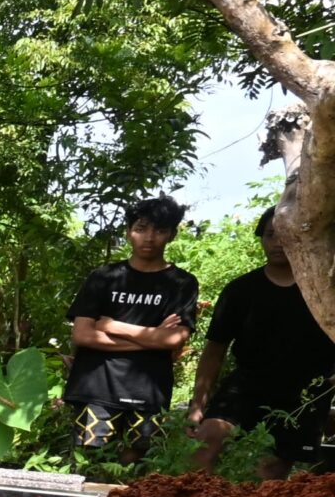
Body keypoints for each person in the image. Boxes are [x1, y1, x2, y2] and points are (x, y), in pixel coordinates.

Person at [191, 208, 334, 478]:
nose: (277, 242)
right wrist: (197, 405)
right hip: (247, 385)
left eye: (286, 235)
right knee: (205, 443)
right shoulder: (240, 290)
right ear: (261, 239)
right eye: (270, 235)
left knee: (270, 475)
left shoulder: (324, 291)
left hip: (303, 395)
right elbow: (214, 352)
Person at [66, 195, 200, 463]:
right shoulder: (104, 277)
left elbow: (175, 339)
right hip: (97, 387)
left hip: (148, 391)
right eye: (141, 229)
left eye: (159, 230)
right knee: (91, 467)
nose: (149, 238)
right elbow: (81, 334)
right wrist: (152, 337)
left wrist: (111, 326)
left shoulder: (182, 283)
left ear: (172, 234)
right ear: (128, 232)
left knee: (137, 472)